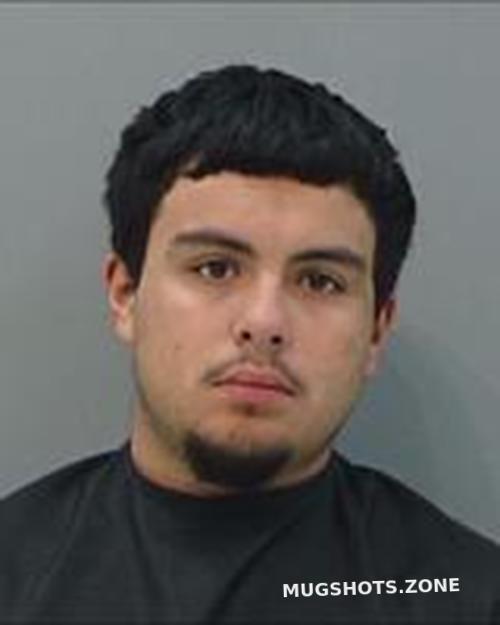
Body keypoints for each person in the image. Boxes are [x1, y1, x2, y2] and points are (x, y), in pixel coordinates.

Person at [1, 64, 499, 624]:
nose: (264, 322)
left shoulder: (464, 595)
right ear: (125, 295)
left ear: (376, 331)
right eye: (215, 268)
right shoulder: (13, 573)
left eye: (320, 281)